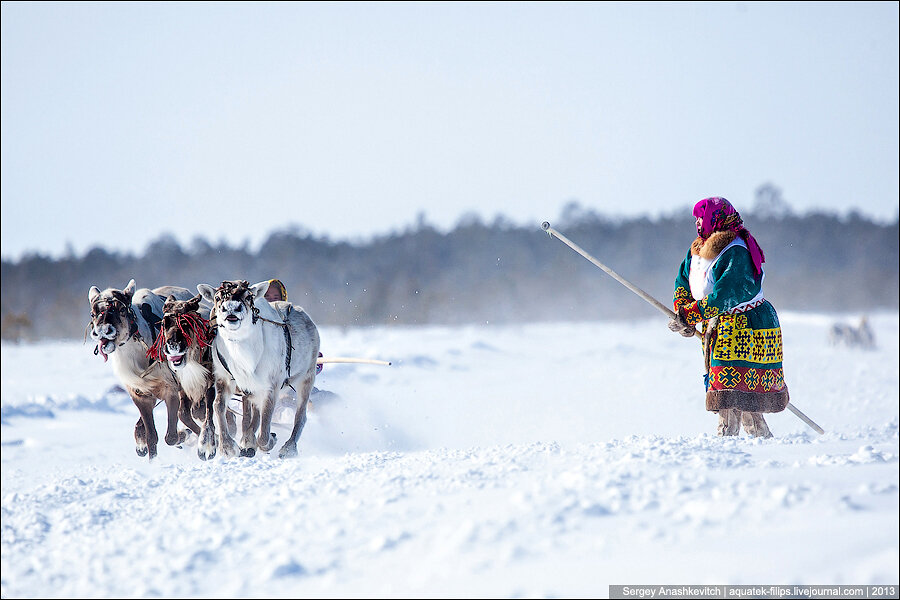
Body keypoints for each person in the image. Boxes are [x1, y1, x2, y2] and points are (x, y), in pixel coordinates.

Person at [668, 197, 790, 438]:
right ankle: (756, 440)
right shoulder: (697, 250)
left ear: (716, 218)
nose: (698, 223)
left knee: (733, 391)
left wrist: (691, 315)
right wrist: (684, 310)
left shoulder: (736, 250)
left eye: (701, 218)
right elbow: (683, 282)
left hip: (747, 326)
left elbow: (727, 295)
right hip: (719, 326)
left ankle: (730, 443)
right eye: (696, 219)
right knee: (733, 391)